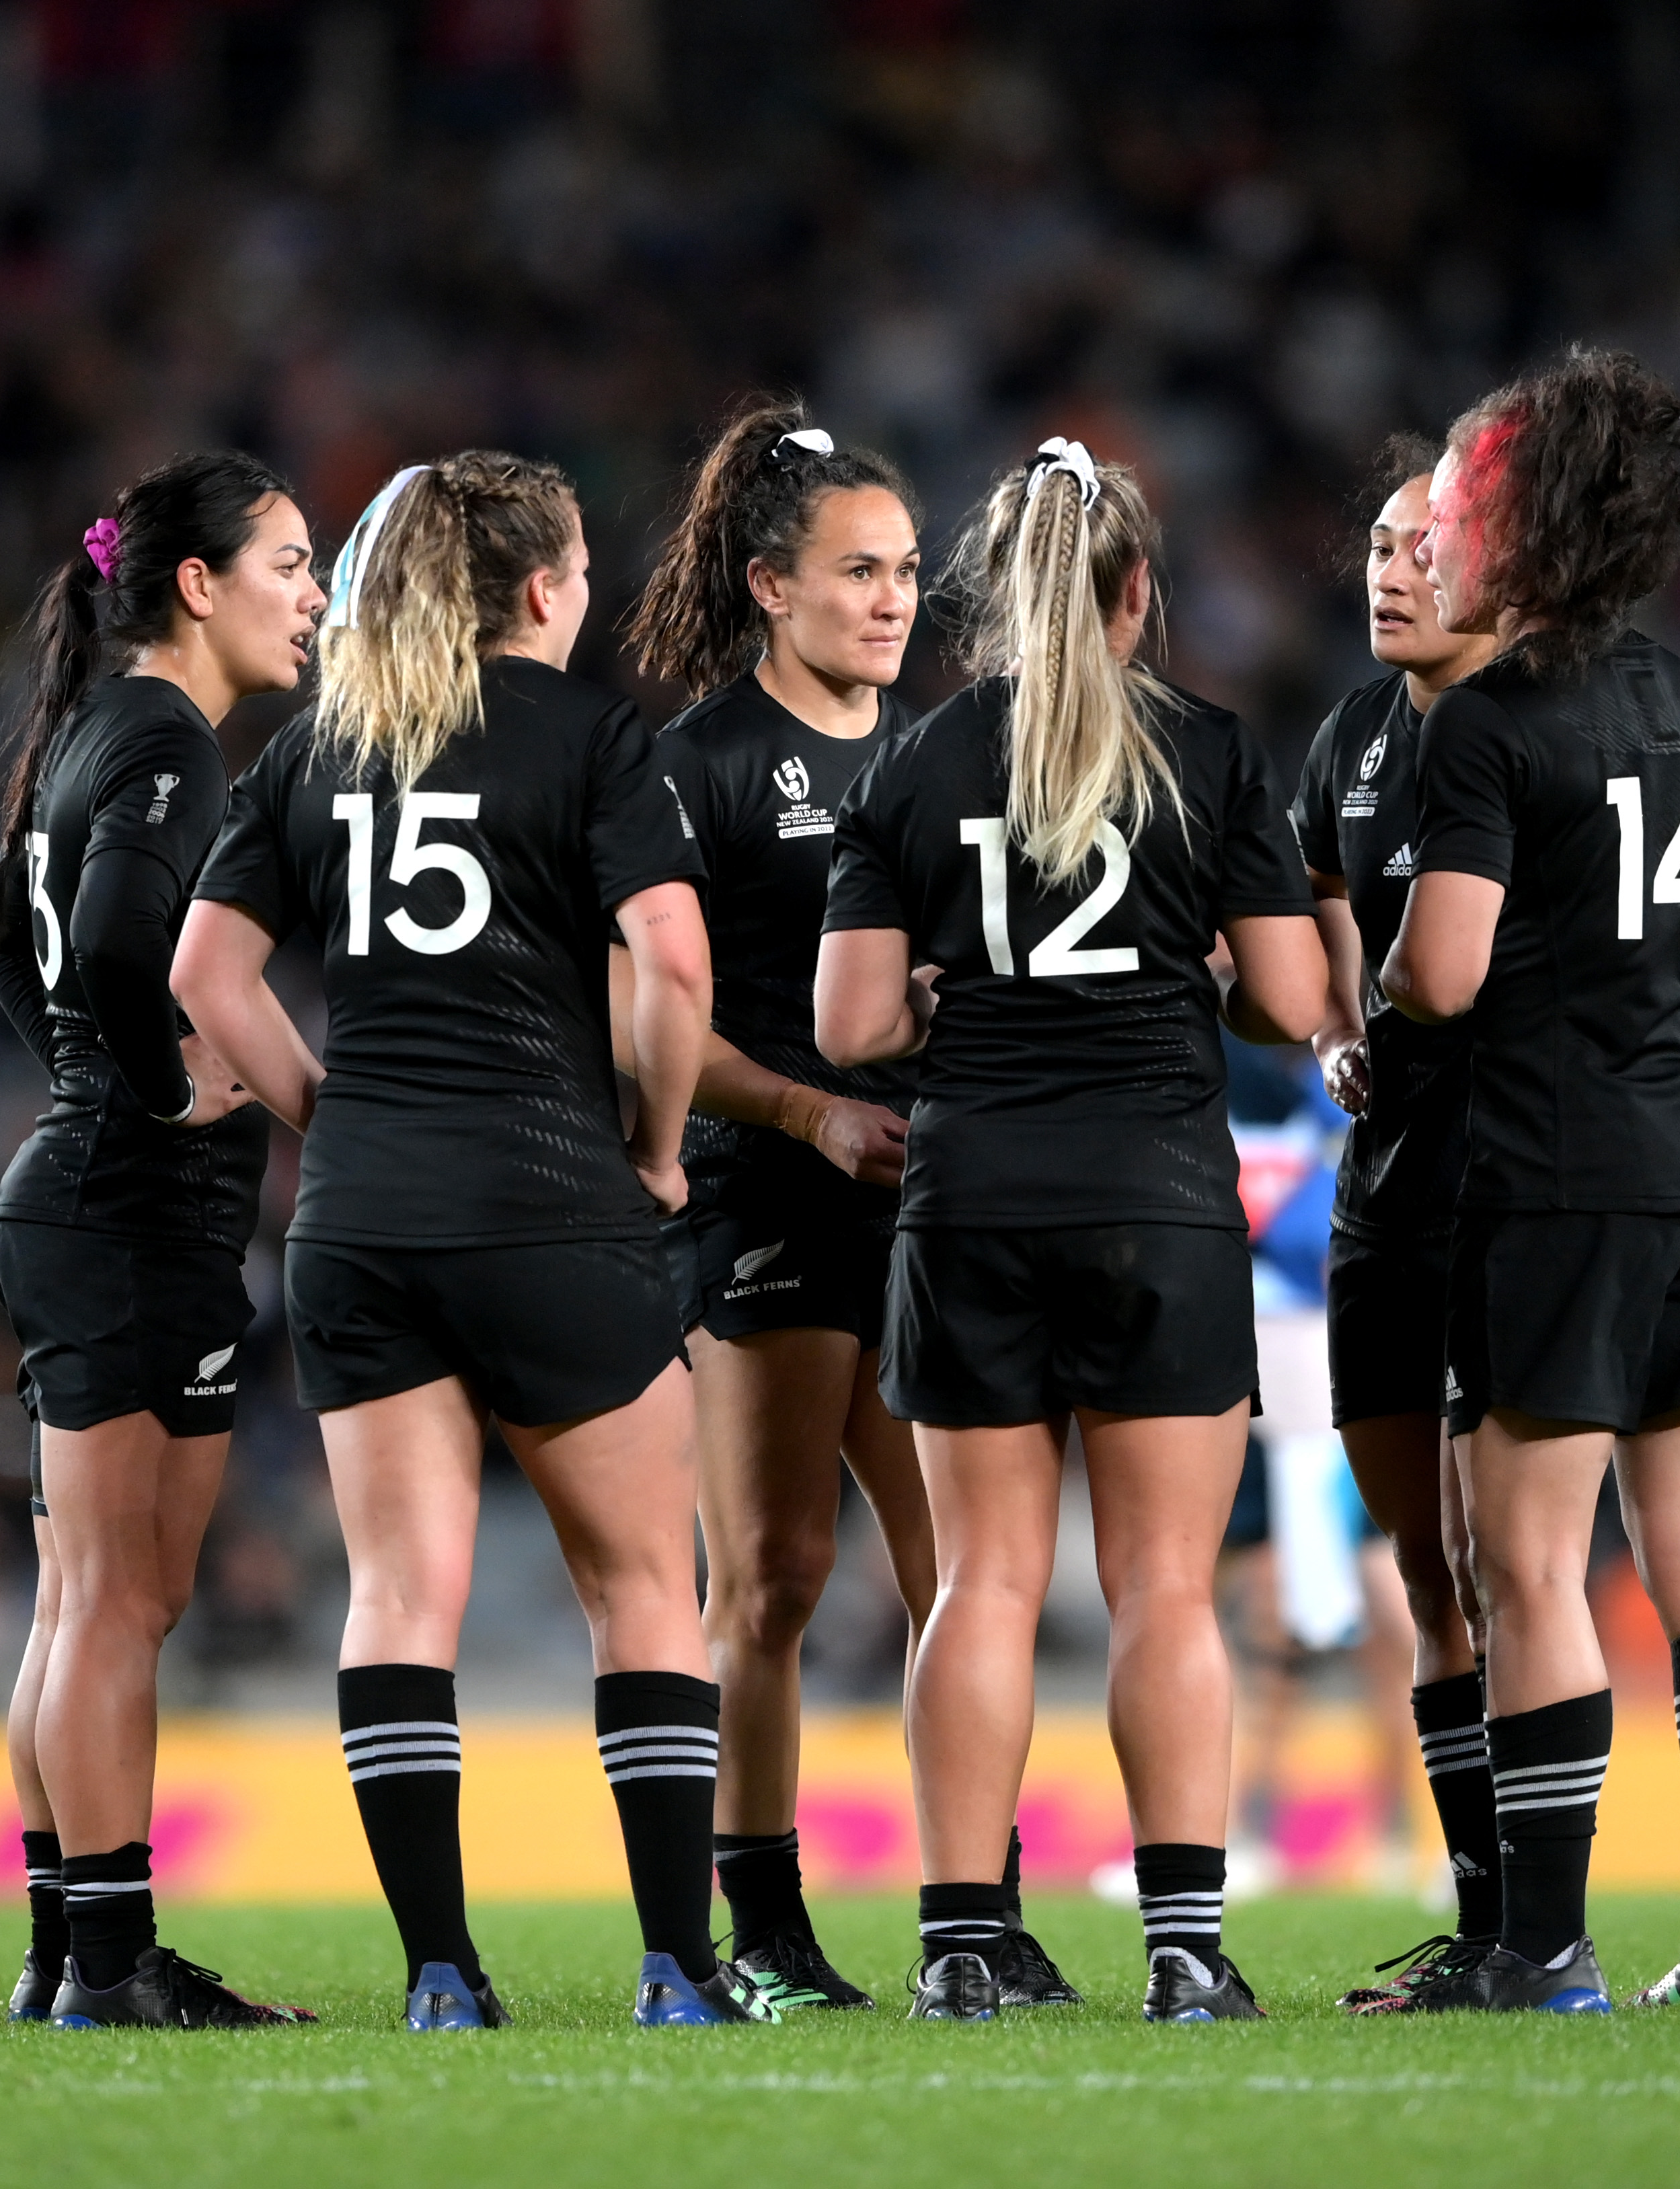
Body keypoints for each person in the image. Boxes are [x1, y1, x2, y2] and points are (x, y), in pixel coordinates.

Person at [171, 452, 771, 2029]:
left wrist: (328, 1112)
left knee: (396, 1595)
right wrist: (657, 1147)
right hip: (556, 1198)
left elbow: (208, 974)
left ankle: (441, 1970)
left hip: (367, 1218)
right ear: (543, 587)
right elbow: (675, 966)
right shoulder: (589, 734)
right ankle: (676, 1964)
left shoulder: (324, 738)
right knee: (644, 1589)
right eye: (581, 574)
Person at [816, 438, 1327, 2024]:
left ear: (992, 594)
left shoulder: (912, 763)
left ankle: (961, 1943)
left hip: (971, 1194)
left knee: (981, 1583)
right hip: (1160, 1198)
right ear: (1136, 593)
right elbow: (1295, 1000)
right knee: (1168, 1588)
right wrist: (1200, 976)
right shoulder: (1209, 752)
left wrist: (945, 1003)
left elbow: (847, 1026)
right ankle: (1184, 1948)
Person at [1379, 348, 1680, 2014]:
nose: (1434, 537)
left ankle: (1545, 1945)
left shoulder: (1488, 725)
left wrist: (1387, 979)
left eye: (1454, 509)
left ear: (1519, 524)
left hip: (1558, 1181)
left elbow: (1445, 972)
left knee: (1532, 1567)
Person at [621, 399, 995, 2011]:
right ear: (771, 587)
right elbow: (643, 1017)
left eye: (906, 569)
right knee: (772, 1574)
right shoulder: (695, 766)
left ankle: (974, 1918)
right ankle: (764, 1932)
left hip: (934, 1199)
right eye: (859, 571)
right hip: (764, 1191)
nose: (894, 599)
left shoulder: (953, 752)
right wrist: (805, 1110)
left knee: (959, 1569)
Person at [0, 451, 325, 2030]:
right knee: (116, 1603)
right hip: (127, 1215)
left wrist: (83, 1078)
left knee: (86, 1600)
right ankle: (109, 1963)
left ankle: (70, 1947)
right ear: (198, 582)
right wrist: (161, 1084)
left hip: (91, 1202)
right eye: (289, 564)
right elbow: (117, 943)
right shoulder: (170, 738)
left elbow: (6, 935)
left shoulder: (95, 731)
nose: (313, 596)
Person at [1287, 436, 1506, 2008]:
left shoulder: (1542, 731)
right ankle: (1486, 1910)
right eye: (1377, 542)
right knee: (1427, 1572)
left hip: (1520, 1197)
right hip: (1383, 1197)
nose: (1390, 568)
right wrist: (1325, 1024)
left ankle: (1536, 1920)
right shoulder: (1352, 736)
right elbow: (1311, 892)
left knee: (1511, 1569)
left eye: (1423, 543)